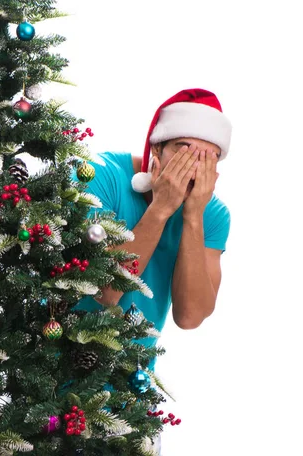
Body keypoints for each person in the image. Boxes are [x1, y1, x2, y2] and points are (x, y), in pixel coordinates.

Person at [73, 88, 232, 371]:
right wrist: (160, 209)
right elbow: (105, 292)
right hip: (54, 368)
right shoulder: (100, 175)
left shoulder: (213, 214)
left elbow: (190, 317)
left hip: (131, 388)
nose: (192, 169)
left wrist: (193, 215)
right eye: (183, 151)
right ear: (155, 149)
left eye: (207, 159)